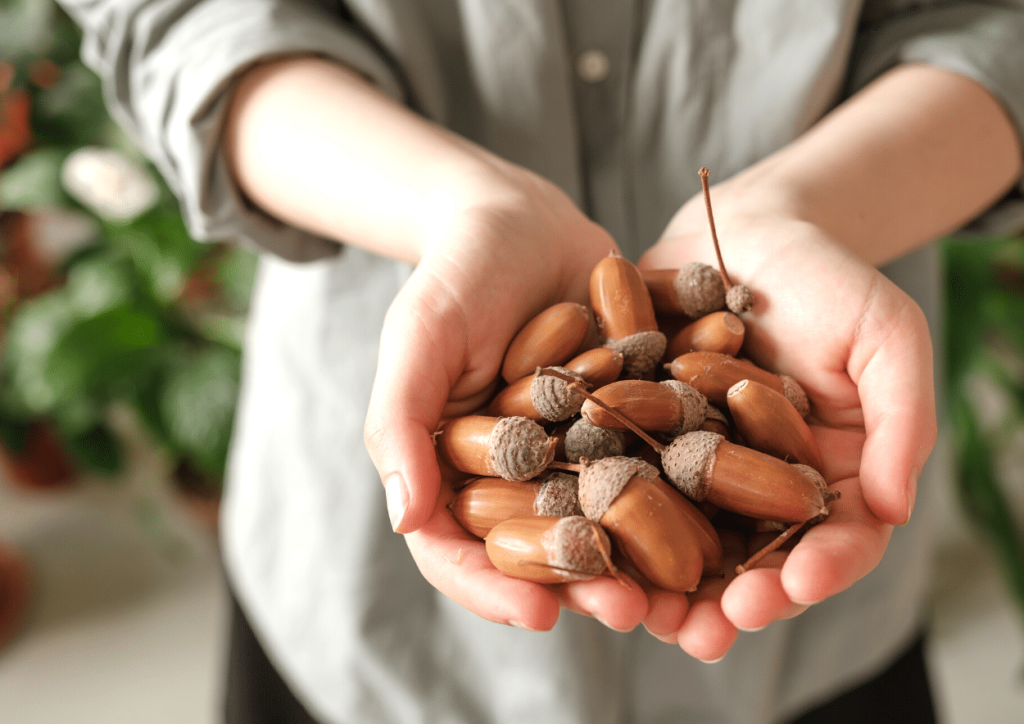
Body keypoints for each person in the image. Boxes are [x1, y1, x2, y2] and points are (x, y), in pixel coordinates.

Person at [59, 1, 1024, 722]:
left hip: (808, 657)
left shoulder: (690, 379)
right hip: (365, 612)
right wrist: (451, 209)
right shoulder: (629, 395)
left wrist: (810, 208)